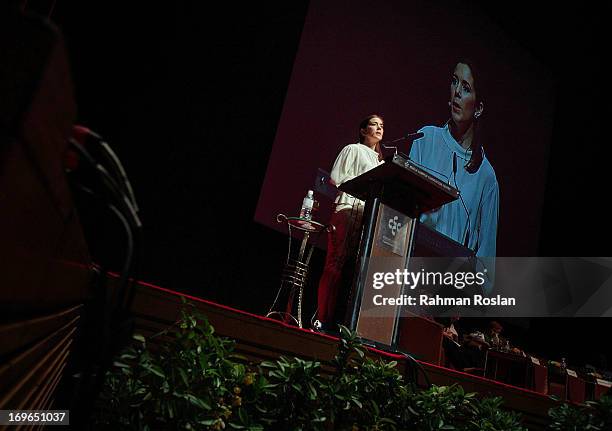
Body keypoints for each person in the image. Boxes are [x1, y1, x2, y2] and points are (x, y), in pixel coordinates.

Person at [409, 59, 499, 290]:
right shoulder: (424, 139)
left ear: (478, 108)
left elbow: (485, 259)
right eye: (454, 82)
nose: (457, 92)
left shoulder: (486, 176)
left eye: (466, 88)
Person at [314, 114, 385, 332]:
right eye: (374, 124)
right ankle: (323, 317)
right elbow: (337, 177)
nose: (379, 128)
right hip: (347, 209)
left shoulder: (381, 161)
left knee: (357, 270)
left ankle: (347, 324)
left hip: (367, 216)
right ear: (363, 130)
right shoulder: (352, 149)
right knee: (335, 263)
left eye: (382, 126)